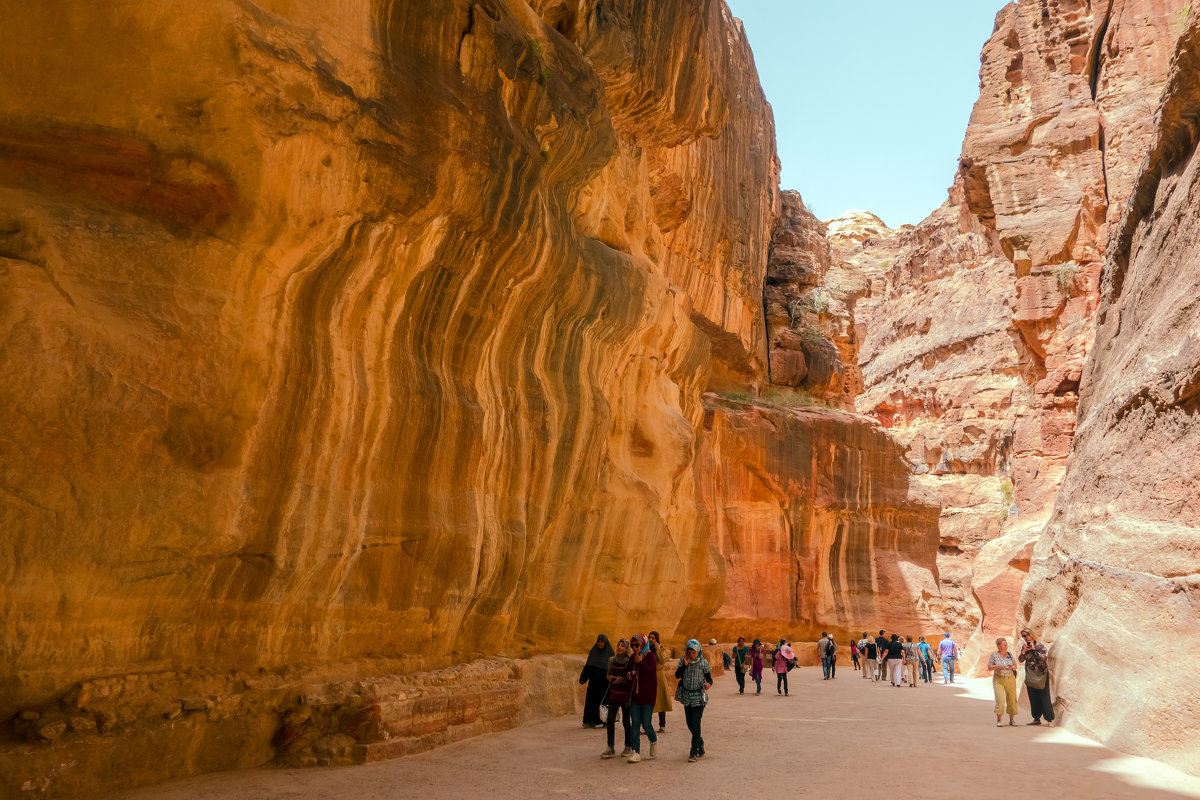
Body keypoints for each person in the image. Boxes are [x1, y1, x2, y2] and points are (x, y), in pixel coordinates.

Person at [675, 639, 713, 762]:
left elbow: (709, 679)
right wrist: (684, 665)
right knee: (690, 724)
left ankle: (693, 752)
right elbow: (677, 675)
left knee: (696, 723)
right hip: (687, 696)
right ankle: (700, 743)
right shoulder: (683, 661)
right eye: (689, 652)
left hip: (698, 697)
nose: (691, 655)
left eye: (693, 652)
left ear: (698, 651)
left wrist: (708, 685)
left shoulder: (703, 663)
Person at [626, 633, 658, 762]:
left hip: (648, 696)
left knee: (646, 723)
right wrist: (629, 675)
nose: (634, 648)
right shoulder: (632, 658)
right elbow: (628, 673)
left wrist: (641, 663)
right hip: (635, 696)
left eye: (637, 645)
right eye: (632, 645)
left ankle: (653, 740)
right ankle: (636, 752)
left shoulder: (650, 657)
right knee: (635, 724)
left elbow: (651, 675)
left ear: (643, 644)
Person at [601, 638, 633, 759]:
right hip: (614, 694)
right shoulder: (612, 660)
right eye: (618, 645)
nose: (619, 647)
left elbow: (631, 678)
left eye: (622, 646)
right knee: (610, 720)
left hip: (625, 695)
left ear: (626, 648)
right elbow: (608, 675)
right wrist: (612, 678)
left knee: (626, 721)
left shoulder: (629, 661)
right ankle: (610, 747)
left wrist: (623, 680)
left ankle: (628, 746)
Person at [1018, 628, 1055, 727]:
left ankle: (1049, 719)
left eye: (1026, 635)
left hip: (1041, 675)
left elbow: (1042, 659)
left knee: (1044, 696)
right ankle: (1036, 718)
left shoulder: (1040, 646)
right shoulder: (1025, 647)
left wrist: (1034, 649)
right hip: (1030, 675)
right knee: (1033, 697)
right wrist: (1024, 652)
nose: (1025, 638)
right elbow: (1020, 660)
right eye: (1023, 636)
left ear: (1031, 635)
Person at [580, 634, 614, 728]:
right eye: (598, 641)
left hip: (605, 684)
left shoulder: (610, 653)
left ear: (605, 642)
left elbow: (614, 668)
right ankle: (590, 721)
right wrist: (583, 678)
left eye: (601, 641)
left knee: (605, 702)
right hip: (593, 683)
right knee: (591, 701)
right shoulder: (593, 651)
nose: (599, 643)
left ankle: (606, 721)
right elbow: (588, 666)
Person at [988, 636, 1018, 727]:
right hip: (998, 679)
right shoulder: (994, 655)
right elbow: (989, 667)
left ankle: (1012, 720)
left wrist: (1012, 667)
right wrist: (997, 666)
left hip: (1010, 678)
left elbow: (1015, 665)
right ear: (998, 646)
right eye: (1004, 645)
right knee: (1000, 700)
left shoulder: (1010, 654)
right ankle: (999, 720)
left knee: (1012, 699)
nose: (1006, 646)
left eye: (1006, 644)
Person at [649, 631, 672, 733]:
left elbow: (662, 660)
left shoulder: (663, 649)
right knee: (648, 702)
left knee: (661, 701)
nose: (651, 640)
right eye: (649, 638)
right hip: (649, 677)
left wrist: (657, 650)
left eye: (653, 638)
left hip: (659, 677)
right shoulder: (647, 650)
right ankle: (647, 725)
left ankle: (662, 725)